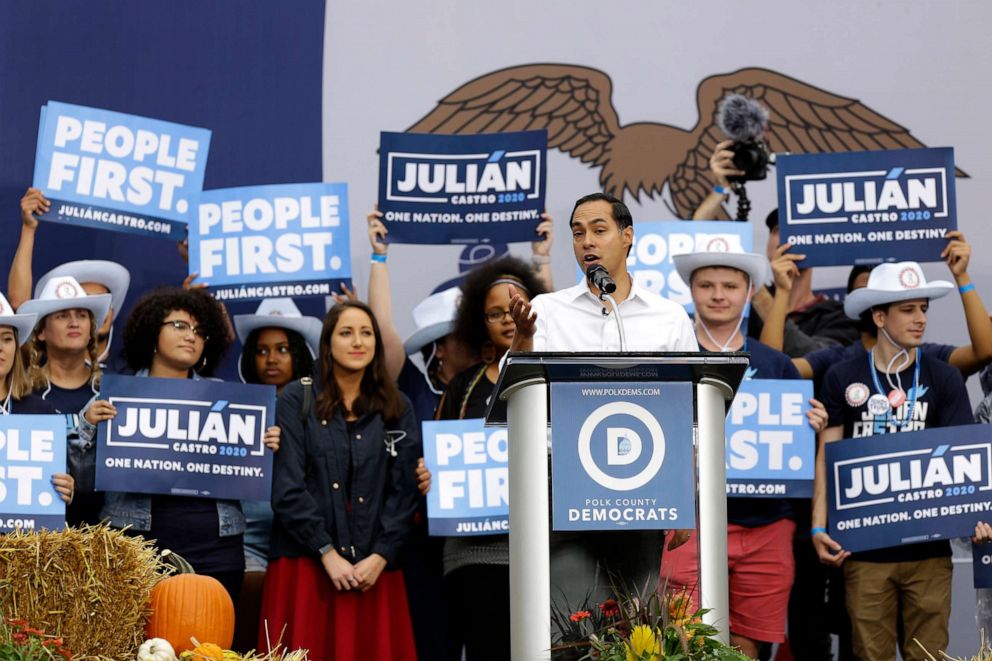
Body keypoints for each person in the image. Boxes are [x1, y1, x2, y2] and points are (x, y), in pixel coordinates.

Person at [507, 192, 698, 636]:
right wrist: (522, 343)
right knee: (566, 634)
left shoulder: (668, 317)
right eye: (577, 233)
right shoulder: (545, 312)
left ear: (627, 236)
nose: (586, 241)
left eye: (598, 229)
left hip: (643, 491)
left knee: (637, 635)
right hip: (563, 494)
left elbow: (688, 414)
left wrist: (685, 495)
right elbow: (512, 392)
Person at [662, 249, 827, 658]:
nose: (719, 295)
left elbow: (797, 441)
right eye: (706, 286)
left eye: (731, 286)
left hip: (767, 523)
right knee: (685, 641)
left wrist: (812, 423)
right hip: (689, 520)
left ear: (750, 291)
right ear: (690, 290)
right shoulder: (669, 355)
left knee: (749, 644)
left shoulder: (776, 364)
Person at [812, 262, 976, 660]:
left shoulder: (944, 378)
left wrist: (978, 515)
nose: (920, 319)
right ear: (879, 316)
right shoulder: (841, 376)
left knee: (930, 655)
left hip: (929, 553)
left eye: (923, 309)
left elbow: (966, 456)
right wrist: (818, 525)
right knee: (870, 656)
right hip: (863, 552)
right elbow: (827, 457)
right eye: (908, 310)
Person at [79, 287, 280, 602]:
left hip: (218, 550)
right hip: (136, 547)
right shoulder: (113, 399)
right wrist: (89, 426)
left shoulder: (230, 401)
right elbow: (78, 480)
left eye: (200, 331)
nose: (191, 336)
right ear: (151, 332)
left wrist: (267, 446)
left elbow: (256, 480)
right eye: (180, 326)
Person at [260, 301, 419, 659]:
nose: (357, 342)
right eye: (346, 333)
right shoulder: (295, 398)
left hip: (374, 571)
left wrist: (380, 555)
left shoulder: (398, 406)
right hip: (306, 566)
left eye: (366, 333)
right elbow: (287, 489)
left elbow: (404, 491)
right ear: (328, 343)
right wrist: (327, 552)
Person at [763, 231, 992, 386]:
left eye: (921, 307)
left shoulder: (931, 359)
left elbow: (984, 351)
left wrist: (961, 275)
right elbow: (773, 369)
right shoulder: (837, 361)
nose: (919, 317)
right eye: (868, 291)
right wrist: (783, 291)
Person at [230, 298, 320, 652]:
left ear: (299, 353)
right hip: (247, 534)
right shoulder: (236, 403)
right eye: (262, 350)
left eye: (282, 349)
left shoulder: (321, 404)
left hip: (302, 534)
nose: (272, 359)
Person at [17, 276, 111, 525]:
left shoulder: (112, 390)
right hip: (41, 535)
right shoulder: (23, 394)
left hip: (105, 529)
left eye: (82, 315)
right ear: (40, 333)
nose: (73, 322)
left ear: (91, 330)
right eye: (61, 316)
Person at [9, 187, 131, 365]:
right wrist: (28, 228)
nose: (76, 320)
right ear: (44, 331)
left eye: (101, 302)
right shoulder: (37, 372)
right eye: (83, 304)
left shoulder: (132, 368)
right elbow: (19, 305)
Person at [0, 291, 74, 504]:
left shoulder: (42, 413)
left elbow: (59, 482)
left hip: (27, 536)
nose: (0, 348)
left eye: (7, 339)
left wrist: (66, 489)